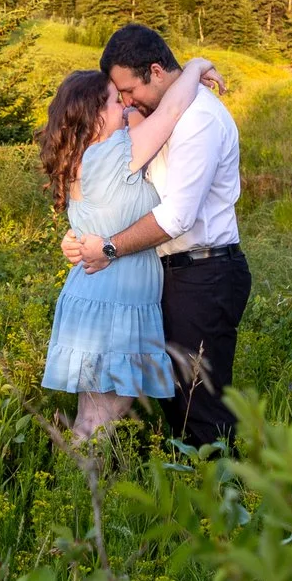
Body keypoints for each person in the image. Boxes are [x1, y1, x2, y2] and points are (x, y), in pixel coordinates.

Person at [63, 24, 250, 451]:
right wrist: (195, 66)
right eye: (120, 95)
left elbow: (177, 216)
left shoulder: (199, 120)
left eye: (129, 91)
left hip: (203, 273)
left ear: (155, 71)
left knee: (201, 404)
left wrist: (108, 247)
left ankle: (230, 500)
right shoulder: (153, 116)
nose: (127, 103)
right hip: (165, 275)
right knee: (171, 402)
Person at [35, 54, 222, 441]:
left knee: (93, 415)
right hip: (115, 300)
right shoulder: (114, 154)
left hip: (95, 293)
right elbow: (169, 111)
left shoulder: (81, 158)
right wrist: (195, 66)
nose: (124, 105)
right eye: (113, 100)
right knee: (102, 418)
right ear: (95, 115)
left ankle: (70, 488)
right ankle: (82, 493)